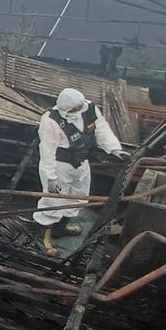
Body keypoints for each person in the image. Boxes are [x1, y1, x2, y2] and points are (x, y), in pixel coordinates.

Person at [35, 88, 129, 254]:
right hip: (61, 165)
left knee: (79, 196)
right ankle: (45, 236)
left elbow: (101, 129)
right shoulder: (51, 120)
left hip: (81, 162)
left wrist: (114, 148)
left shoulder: (89, 109)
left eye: (80, 106)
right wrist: (50, 177)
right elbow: (47, 151)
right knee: (54, 201)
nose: (79, 110)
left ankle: (61, 228)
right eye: (74, 109)